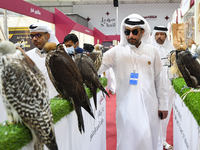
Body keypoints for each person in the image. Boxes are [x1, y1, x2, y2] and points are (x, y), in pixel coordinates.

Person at [98, 13, 168, 150]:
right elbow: (96, 67)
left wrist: (163, 104)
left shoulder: (152, 51)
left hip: (150, 105)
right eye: (127, 32)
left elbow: (160, 79)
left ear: (143, 31)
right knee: (127, 139)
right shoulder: (116, 52)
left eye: (134, 32)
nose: (130, 35)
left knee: (149, 138)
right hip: (126, 106)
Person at [151, 26, 175, 150]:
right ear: (154, 35)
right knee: (154, 115)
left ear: (166, 36)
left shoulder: (172, 50)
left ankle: (163, 140)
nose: (159, 36)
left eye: (162, 34)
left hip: (168, 86)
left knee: (166, 113)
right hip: (153, 86)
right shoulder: (149, 49)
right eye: (157, 34)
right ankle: (154, 141)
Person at [26, 23, 59, 99]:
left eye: (38, 35)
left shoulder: (60, 55)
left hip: (60, 101)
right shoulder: (27, 56)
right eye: (32, 36)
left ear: (47, 36)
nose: (34, 39)